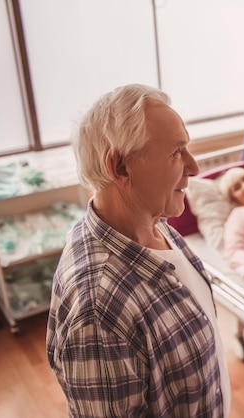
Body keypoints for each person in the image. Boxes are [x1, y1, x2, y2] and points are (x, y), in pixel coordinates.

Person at [46, 84, 230, 417]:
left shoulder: (153, 223)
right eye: (176, 152)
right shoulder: (99, 313)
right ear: (120, 168)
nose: (194, 167)